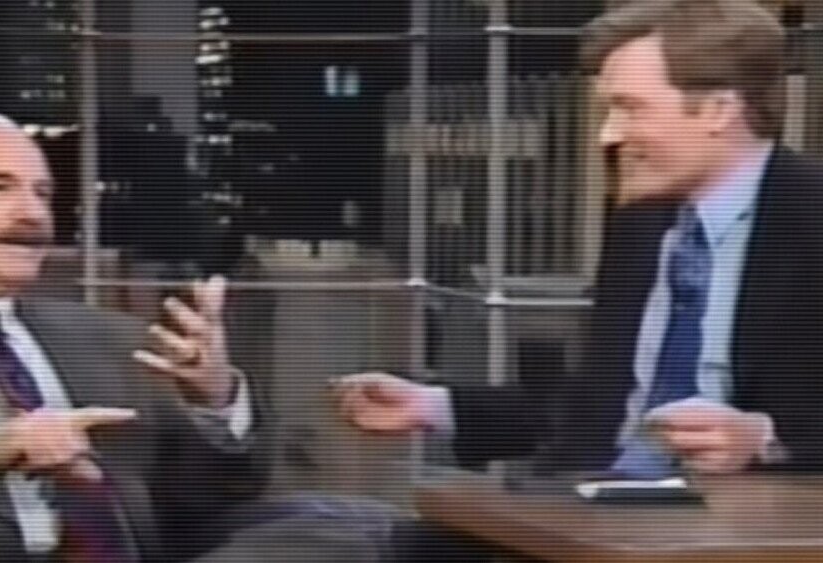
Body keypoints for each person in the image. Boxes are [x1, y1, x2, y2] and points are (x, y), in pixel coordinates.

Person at [337, 0, 823, 478]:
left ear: (719, 110)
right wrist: (436, 406)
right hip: (595, 499)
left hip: (748, 516)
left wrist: (767, 440)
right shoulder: (642, 224)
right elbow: (599, 407)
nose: (607, 136)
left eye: (630, 109)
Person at [0, 112, 271, 563]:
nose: (33, 214)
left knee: (310, 525)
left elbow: (211, 496)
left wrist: (214, 402)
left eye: (42, 193)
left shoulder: (113, 339)